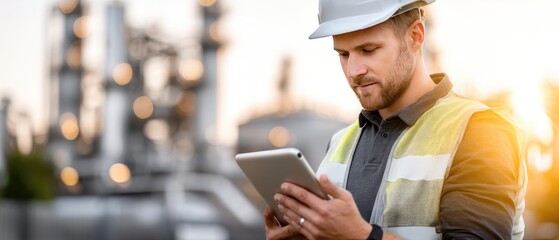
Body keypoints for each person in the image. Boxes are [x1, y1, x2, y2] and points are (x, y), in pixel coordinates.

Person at [264, 0, 527, 239]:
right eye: (343, 54)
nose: (354, 71)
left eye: (368, 50)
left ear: (416, 36)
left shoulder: (480, 131)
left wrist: (361, 236)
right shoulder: (339, 143)